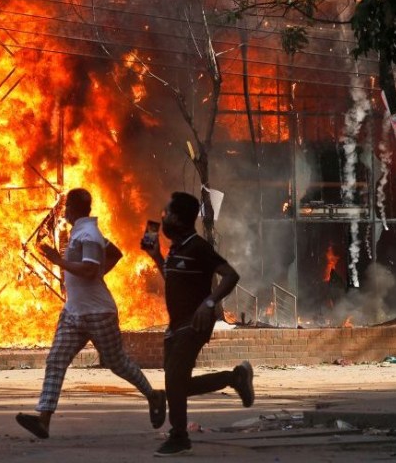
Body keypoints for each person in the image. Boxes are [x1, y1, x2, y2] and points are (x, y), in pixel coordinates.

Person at [16, 188, 167, 439]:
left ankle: (154, 395)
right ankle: (43, 419)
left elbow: (87, 271)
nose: (64, 212)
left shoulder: (88, 235)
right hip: (74, 312)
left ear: (73, 209)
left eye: (66, 208)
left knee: (117, 363)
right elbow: (115, 253)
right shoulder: (83, 231)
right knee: (56, 360)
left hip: (98, 313)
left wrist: (58, 261)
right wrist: (99, 274)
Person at [142, 191, 255, 457]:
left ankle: (179, 436)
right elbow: (173, 279)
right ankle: (235, 377)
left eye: (168, 213)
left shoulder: (198, 247)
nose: (163, 217)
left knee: (174, 381)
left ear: (180, 219)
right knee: (177, 386)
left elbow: (230, 275)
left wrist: (209, 304)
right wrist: (157, 257)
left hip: (194, 324)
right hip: (175, 325)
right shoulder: (177, 249)